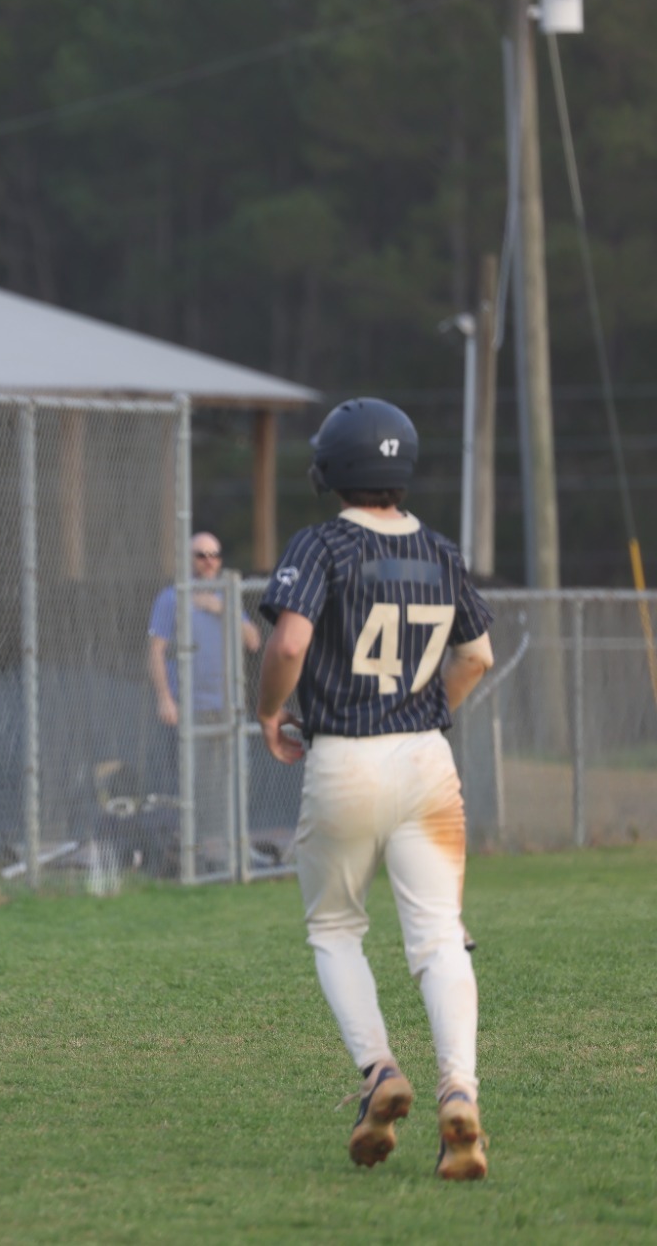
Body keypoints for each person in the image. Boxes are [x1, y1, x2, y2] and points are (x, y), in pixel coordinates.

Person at [255, 398, 494, 1181]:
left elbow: (290, 640)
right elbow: (477, 656)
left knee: (335, 928)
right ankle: (460, 1085)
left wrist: (267, 711)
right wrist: (425, 720)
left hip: (346, 756)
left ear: (334, 468)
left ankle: (380, 1072)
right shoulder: (439, 548)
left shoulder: (322, 544)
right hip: (427, 760)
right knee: (438, 935)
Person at [147, 531, 260, 821]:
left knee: (231, 782)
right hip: (189, 708)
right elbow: (156, 650)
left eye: (214, 555)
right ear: (187, 559)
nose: (209, 561)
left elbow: (253, 642)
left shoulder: (226, 597)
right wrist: (165, 699)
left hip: (227, 707)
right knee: (191, 786)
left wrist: (223, 609)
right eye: (201, 555)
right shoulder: (171, 598)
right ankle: (191, 850)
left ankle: (225, 849)